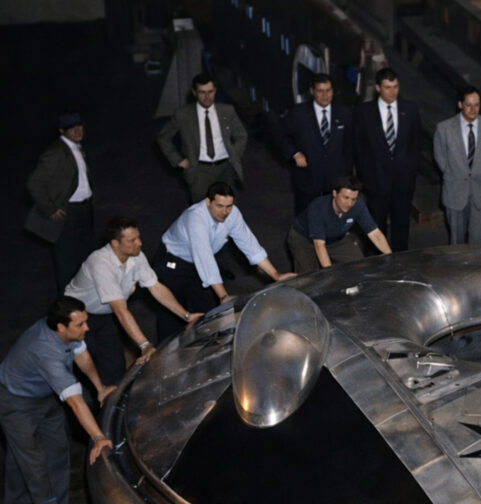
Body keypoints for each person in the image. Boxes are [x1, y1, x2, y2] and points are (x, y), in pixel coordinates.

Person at [0, 296, 115, 504]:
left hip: (44, 395)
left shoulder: (66, 332)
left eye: (86, 321)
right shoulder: (47, 353)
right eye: (81, 325)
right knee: (34, 461)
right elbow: (75, 402)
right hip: (15, 402)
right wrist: (98, 437)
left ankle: (15, 501)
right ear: (61, 327)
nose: (87, 328)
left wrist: (100, 387)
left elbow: (81, 355)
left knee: (54, 450)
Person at [64, 217, 199, 386]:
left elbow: (155, 287)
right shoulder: (100, 263)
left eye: (138, 237)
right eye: (132, 240)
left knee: (115, 367)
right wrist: (145, 345)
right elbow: (121, 310)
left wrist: (186, 315)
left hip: (105, 314)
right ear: (115, 243)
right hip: (76, 317)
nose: (140, 243)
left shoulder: (136, 256)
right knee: (85, 372)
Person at [152, 182, 295, 340]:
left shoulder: (233, 214)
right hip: (174, 264)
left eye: (229, 206)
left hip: (199, 266)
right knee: (171, 317)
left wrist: (276, 275)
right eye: (219, 206)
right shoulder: (195, 218)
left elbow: (250, 245)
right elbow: (204, 257)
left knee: (207, 314)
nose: (225, 212)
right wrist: (223, 296)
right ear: (208, 202)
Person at [352, 68, 422, 252]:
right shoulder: (364, 112)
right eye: (387, 87)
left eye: (396, 86)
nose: (392, 92)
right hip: (376, 182)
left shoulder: (410, 109)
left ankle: (400, 266)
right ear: (377, 88)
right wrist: (366, 177)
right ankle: (376, 267)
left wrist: (410, 171)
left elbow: (416, 145)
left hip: (403, 182)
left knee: (401, 226)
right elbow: (358, 148)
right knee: (375, 226)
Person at [26, 112, 96, 292]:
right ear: (61, 131)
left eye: (79, 126)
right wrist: (50, 208)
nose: (77, 131)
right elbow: (34, 183)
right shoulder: (55, 153)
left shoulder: (77, 147)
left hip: (84, 209)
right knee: (67, 259)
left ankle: (85, 295)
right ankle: (68, 303)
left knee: (85, 254)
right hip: (68, 212)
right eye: (71, 128)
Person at [157, 72, 248, 203]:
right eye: (202, 92)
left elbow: (241, 135)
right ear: (194, 92)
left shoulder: (227, 111)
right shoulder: (183, 115)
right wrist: (178, 160)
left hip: (225, 169)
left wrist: (234, 155)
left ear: (215, 91)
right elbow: (163, 137)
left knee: (225, 210)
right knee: (201, 212)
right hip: (199, 171)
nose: (207, 97)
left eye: (210, 92)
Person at [433, 86, 481, 245]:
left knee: (477, 241)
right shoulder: (444, 129)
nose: (473, 109)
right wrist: (454, 172)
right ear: (460, 104)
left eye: (476, 105)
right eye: (468, 104)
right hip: (455, 191)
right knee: (456, 241)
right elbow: (440, 157)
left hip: (480, 191)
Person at [280, 73, 354, 215]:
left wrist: (347, 175)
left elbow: (351, 145)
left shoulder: (345, 113)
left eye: (328, 90)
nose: (325, 95)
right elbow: (280, 136)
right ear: (312, 91)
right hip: (308, 178)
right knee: (306, 220)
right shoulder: (298, 114)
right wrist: (294, 153)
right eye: (320, 91)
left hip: (336, 181)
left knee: (333, 221)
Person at [287, 176, 391, 273]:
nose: (349, 204)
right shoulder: (318, 208)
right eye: (345, 198)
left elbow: (375, 234)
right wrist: (330, 275)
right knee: (310, 277)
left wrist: (392, 260)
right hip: (304, 240)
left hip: (336, 238)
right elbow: (319, 245)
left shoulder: (358, 206)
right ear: (334, 193)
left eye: (353, 199)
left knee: (359, 266)